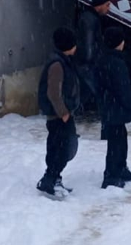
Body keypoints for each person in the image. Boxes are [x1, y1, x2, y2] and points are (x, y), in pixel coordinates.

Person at [36, 27, 81, 199]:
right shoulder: (57, 64)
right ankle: (49, 180)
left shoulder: (64, 61)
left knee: (64, 147)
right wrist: (63, 112)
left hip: (62, 114)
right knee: (61, 148)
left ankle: (54, 178)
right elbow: (54, 93)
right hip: (59, 116)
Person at [96, 27, 131, 189]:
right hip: (115, 107)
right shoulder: (116, 63)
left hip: (109, 106)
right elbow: (123, 88)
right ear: (119, 43)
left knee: (120, 139)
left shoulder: (104, 59)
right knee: (116, 143)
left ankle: (120, 168)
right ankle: (111, 175)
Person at [76, 0, 111, 107]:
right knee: (89, 93)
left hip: (88, 63)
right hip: (87, 65)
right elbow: (88, 43)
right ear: (100, 5)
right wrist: (91, 60)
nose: (109, 9)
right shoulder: (90, 19)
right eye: (107, 5)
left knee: (87, 93)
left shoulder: (90, 17)